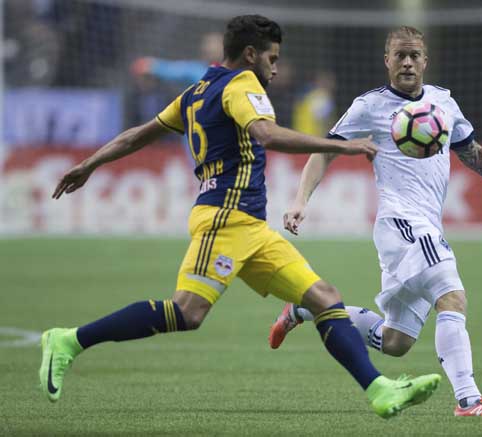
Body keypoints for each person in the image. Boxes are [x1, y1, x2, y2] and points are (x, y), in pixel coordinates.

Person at [39, 15, 442, 419]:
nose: (276, 67)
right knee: (186, 312)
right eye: (272, 57)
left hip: (250, 225)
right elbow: (267, 135)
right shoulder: (242, 84)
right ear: (250, 54)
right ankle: (69, 340)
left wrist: (89, 164)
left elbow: (138, 134)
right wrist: (341, 146)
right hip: (224, 220)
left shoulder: (196, 92)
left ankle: (379, 391)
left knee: (324, 298)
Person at [269, 26, 482, 417]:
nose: (406, 62)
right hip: (400, 223)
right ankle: (469, 400)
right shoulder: (370, 105)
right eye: (399, 55)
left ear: (425, 60)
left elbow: (473, 153)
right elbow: (324, 152)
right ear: (386, 60)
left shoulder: (443, 102)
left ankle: (303, 309)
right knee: (452, 296)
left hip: (426, 227)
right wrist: (300, 200)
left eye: (414, 55)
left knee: (395, 340)